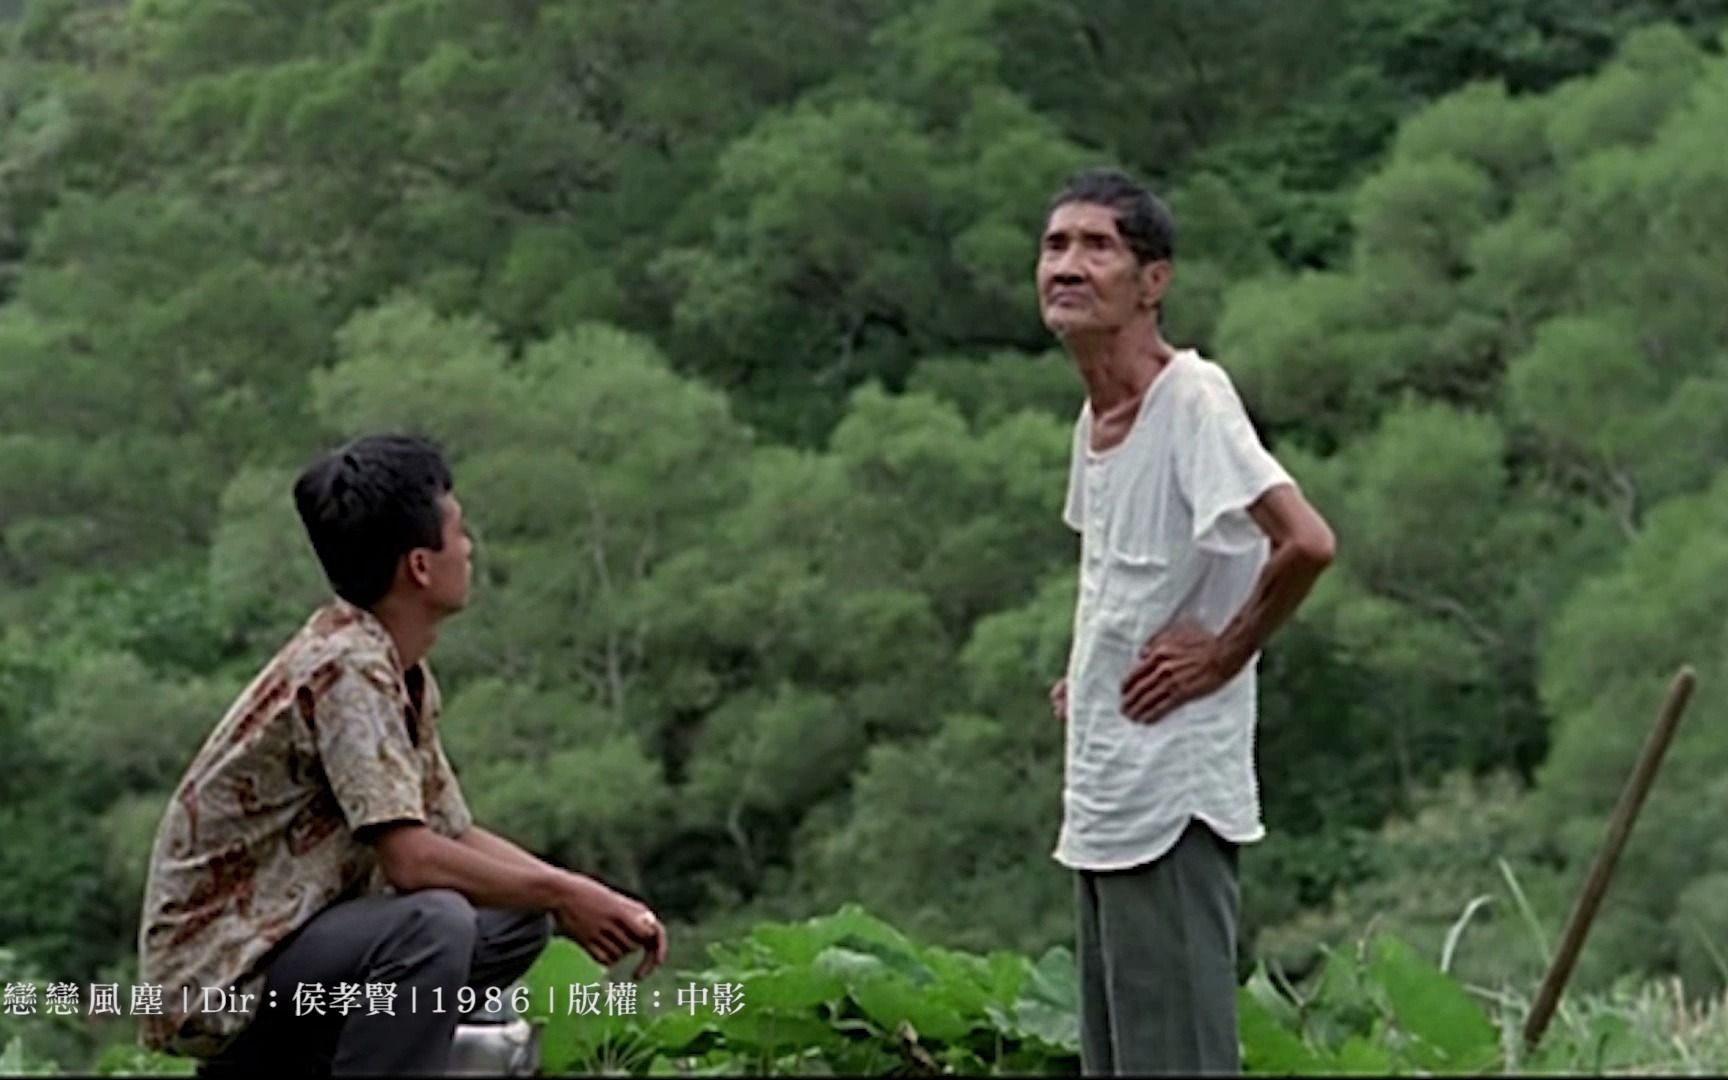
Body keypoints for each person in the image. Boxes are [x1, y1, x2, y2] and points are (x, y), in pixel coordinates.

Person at [137, 434, 666, 1076]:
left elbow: (453, 833)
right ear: (420, 565)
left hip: (296, 944)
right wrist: (563, 889)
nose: (469, 548)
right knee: (434, 922)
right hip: (223, 978)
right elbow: (412, 860)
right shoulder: (347, 669)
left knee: (515, 915)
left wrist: (574, 895)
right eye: (459, 531)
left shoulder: (395, 666)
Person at [1039, 168, 1336, 1076]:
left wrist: (1222, 653)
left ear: (1153, 280)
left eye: (1098, 246)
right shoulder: (1097, 418)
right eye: (1055, 245)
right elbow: (1127, 579)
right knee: (1118, 1055)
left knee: (1178, 1060)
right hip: (1107, 786)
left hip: (1171, 791)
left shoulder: (1191, 399)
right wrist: (1083, 675)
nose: (1068, 265)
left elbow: (1308, 543)